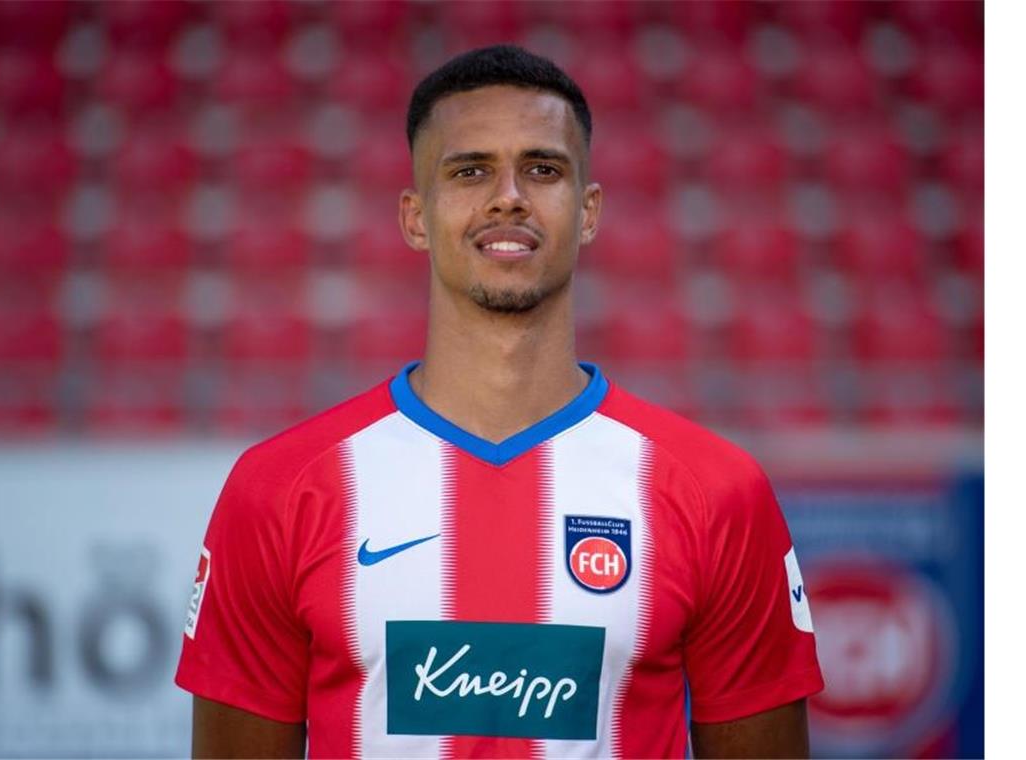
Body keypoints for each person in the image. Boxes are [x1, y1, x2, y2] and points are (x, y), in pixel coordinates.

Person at [175, 45, 823, 758]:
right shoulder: (279, 489)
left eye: (543, 169)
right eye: (470, 170)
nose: (508, 194)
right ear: (415, 218)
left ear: (589, 212)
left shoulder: (716, 492)